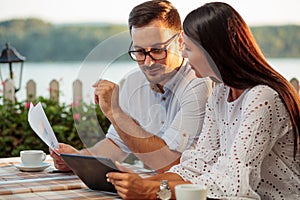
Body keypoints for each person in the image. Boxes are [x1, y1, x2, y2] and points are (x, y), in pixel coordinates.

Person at [106, 2, 300, 199]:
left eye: (188, 49)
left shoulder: (262, 97)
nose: (184, 56)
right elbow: (199, 164)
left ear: (213, 51)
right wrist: (141, 184)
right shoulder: (220, 95)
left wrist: (152, 190)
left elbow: (233, 181)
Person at [50, 0, 212, 173]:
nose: (148, 63)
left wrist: (115, 112)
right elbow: (114, 146)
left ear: (180, 41)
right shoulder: (132, 82)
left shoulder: (197, 85)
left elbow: (169, 164)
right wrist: (77, 160)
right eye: (140, 52)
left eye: (158, 50)